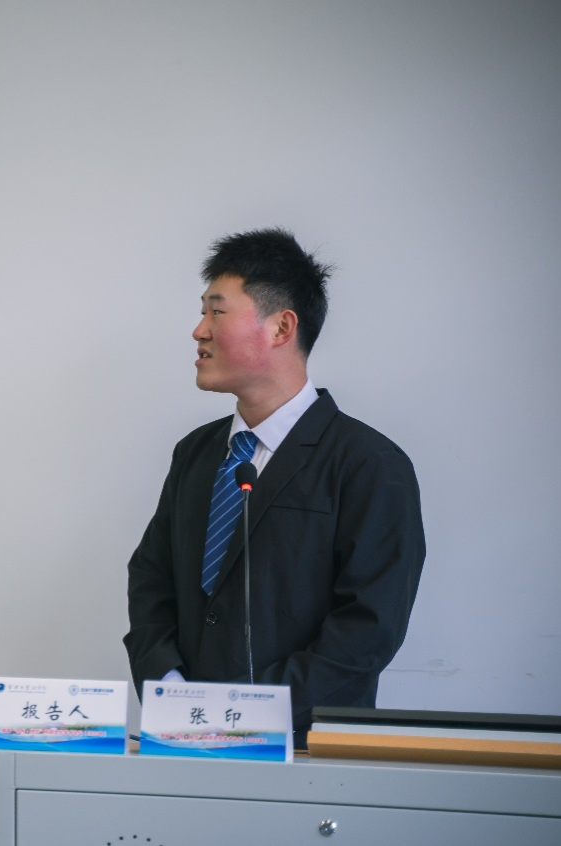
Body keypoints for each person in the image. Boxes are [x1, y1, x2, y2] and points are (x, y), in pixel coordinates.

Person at [123, 228, 425, 746]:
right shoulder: (196, 452)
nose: (199, 330)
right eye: (202, 312)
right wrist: (171, 689)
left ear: (282, 327)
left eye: (217, 312)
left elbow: (368, 628)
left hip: (308, 750)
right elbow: (151, 579)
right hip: (183, 740)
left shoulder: (368, 463)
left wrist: (244, 713)